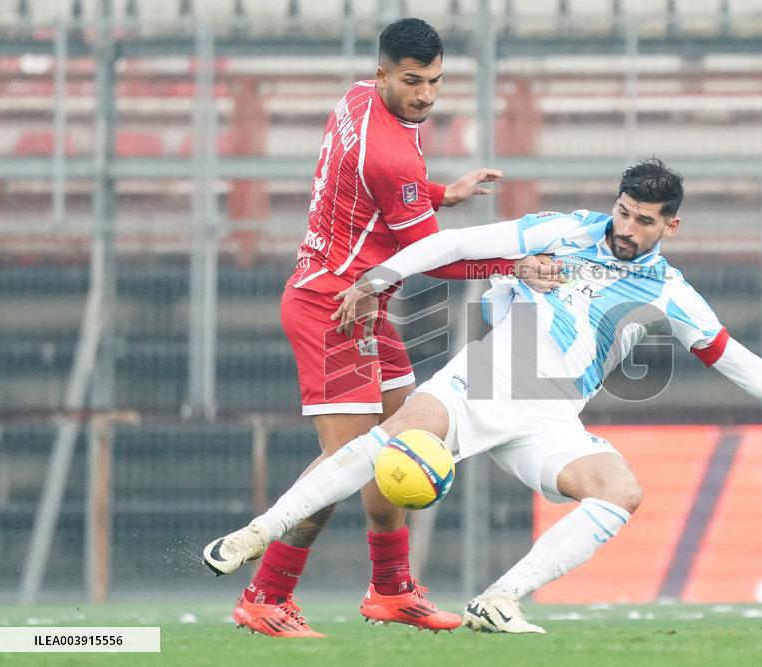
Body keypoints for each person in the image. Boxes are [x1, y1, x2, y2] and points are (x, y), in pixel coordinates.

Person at [204, 158, 762, 634]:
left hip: (552, 415)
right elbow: (456, 247)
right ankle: (256, 533)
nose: (627, 228)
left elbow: (742, 365)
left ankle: (499, 597)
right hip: (490, 377)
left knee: (619, 488)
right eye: (623, 211)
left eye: (645, 220)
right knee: (388, 441)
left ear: (672, 225)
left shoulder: (671, 292)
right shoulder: (569, 230)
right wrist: (378, 278)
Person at [234, 18, 561, 638]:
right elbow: (432, 256)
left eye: (436, 81)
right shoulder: (388, 151)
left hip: (364, 300)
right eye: (413, 82)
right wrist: (515, 264)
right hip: (335, 307)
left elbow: (377, 194)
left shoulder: (357, 98)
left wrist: (437, 193)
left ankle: (390, 589)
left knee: (396, 441)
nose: (427, 95)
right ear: (384, 73)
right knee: (347, 461)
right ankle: (265, 595)